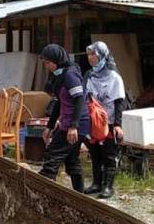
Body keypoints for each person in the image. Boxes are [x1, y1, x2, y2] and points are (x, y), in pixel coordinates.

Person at [39, 44, 90, 192]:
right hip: (67, 122)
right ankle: (80, 198)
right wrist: (49, 126)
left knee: (52, 156)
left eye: (48, 63)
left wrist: (73, 126)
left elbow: (79, 99)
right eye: (45, 63)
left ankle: (44, 193)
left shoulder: (70, 75)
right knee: (72, 160)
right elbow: (58, 103)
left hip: (76, 123)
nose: (47, 66)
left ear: (57, 60)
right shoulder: (58, 76)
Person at [83, 41, 126, 199]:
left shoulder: (114, 77)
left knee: (109, 154)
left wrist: (118, 125)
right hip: (93, 122)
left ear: (102, 55)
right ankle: (96, 183)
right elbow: (85, 98)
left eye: (93, 54)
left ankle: (108, 186)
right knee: (95, 154)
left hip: (109, 121)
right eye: (89, 54)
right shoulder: (89, 75)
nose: (90, 57)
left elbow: (119, 101)